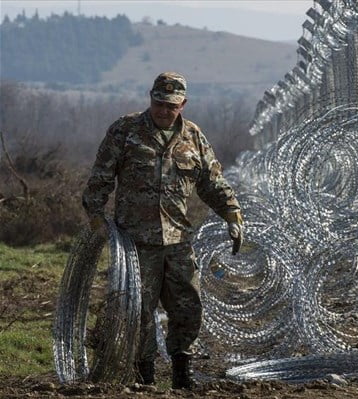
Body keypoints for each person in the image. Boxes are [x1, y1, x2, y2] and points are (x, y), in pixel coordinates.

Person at [82, 72, 243, 389]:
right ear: (150, 98)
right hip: (136, 243)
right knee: (138, 311)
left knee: (187, 307)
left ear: (183, 104)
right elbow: (101, 176)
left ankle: (183, 372)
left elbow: (212, 182)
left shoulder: (193, 137)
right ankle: (145, 376)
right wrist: (96, 217)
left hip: (178, 241)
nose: (163, 111)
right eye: (158, 103)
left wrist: (232, 214)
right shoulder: (126, 131)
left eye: (170, 106)